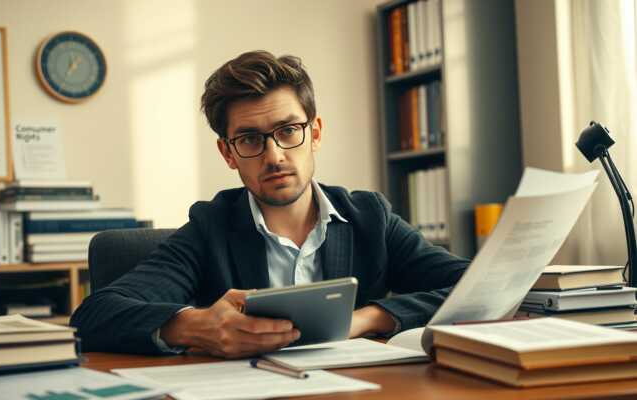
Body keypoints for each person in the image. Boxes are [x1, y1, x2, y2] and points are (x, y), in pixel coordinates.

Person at [71, 50, 468, 358]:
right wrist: (193, 326)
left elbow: (474, 287)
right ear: (228, 154)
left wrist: (367, 318)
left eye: (288, 131)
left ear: (314, 133)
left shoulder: (370, 218)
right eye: (249, 139)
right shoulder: (210, 228)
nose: (274, 155)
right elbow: (93, 316)